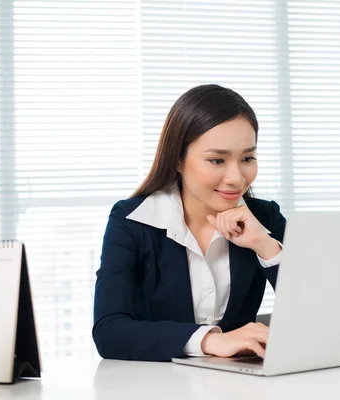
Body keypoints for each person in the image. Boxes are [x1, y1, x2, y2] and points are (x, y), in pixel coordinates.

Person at [92, 84, 286, 362]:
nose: (236, 178)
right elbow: (109, 332)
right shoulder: (132, 221)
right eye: (217, 160)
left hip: (241, 386)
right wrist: (210, 341)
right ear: (178, 160)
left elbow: (318, 316)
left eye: (247, 158)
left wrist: (265, 246)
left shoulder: (264, 218)